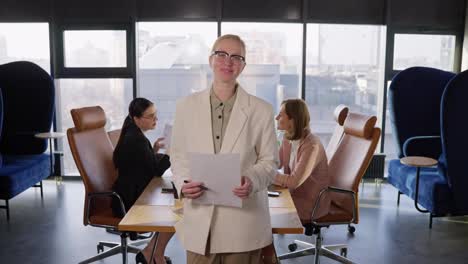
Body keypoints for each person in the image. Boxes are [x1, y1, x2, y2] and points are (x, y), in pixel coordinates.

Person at [170, 34, 279, 264]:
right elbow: (178, 156)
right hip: (200, 223)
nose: (227, 62)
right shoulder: (185, 107)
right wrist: (182, 184)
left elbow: (270, 163)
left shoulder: (262, 110)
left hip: (242, 224)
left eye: (236, 57)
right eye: (221, 54)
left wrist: (251, 179)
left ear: (243, 66)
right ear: (211, 59)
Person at [261, 99, 330, 264]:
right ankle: (265, 258)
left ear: (293, 119)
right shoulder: (288, 138)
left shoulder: (311, 145)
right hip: (294, 196)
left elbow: (293, 182)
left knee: (261, 215)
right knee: (259, 207)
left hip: (312, 202)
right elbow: (275, 162)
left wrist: (266, 172)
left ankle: (267, 259)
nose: (277, 117)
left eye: (281, 114)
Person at [112, 97, 174, 264]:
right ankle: (154, 254)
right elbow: (156, 171)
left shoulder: (134, 134)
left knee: (174, 205)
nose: (156, 119)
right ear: (136, 119)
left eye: (156, 114)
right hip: (128, 200)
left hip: (132, 190)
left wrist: (153, 149)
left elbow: (143, 163)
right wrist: (170, 152)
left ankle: (151, 252)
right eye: (151, 116)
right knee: (173, 213)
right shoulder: (135, 139)